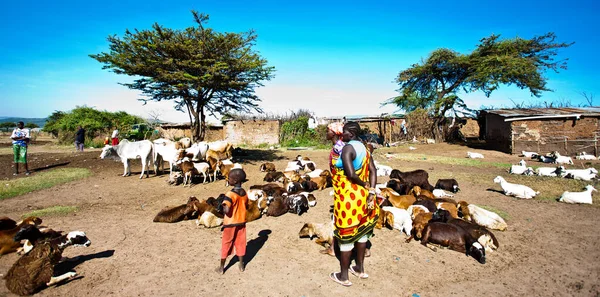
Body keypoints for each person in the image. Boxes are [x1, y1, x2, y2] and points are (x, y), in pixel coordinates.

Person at [329, 121, 379, 287]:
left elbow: (350, 174)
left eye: (344, 131)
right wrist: (371, 189)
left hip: (349, 197)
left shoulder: (348, 148)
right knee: (362, 232)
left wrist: (362, 183)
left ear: (350, 132)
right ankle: (359, 268)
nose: (342, 134)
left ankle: (343, 276)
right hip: (363, 197)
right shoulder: (364, 148)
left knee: (346, 236)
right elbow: (373, 170)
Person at [216, 168, 249, 274]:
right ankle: (241, 265)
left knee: (226, 243)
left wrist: (222, 204)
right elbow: (246, 206)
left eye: (229, 178)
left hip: (230, 224)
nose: (228, 180)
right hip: (241, 222)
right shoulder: (244, 193)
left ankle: (221, 267)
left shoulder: (230, 194)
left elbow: (227, 211)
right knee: (240, 243)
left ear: (235, 181)